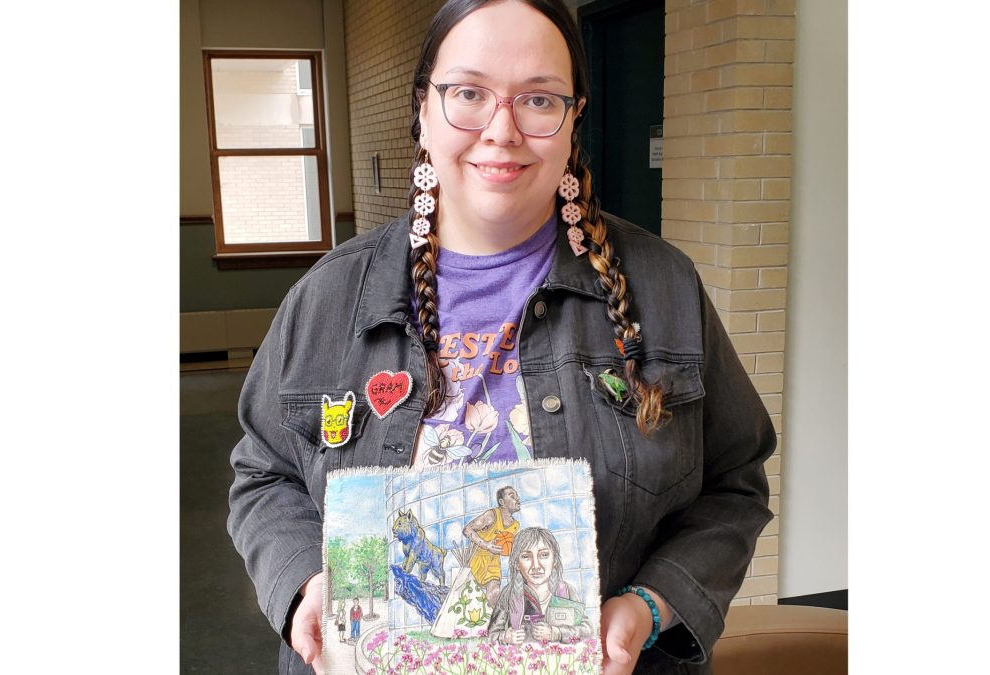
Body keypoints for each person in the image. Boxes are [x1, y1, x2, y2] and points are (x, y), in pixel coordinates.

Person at [227, 1, 775, 673]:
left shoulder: (662, 288)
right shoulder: (329, 299)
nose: (502, 129)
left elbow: (735, 481)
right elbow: (264, 471)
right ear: (424, 109)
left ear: (574, 117)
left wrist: (651, 603)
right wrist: (305, 581)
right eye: (468, 93)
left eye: (539, 99)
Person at [487, 527, 593, 644]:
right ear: (517, 563)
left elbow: (588, 631)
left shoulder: (567, 591)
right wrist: (505, 637)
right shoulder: (509, 593)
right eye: (526, 557)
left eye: (544, 555)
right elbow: (490, 636)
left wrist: (556, 633)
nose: (536, 566)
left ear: (555, 560)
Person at [462, 486, 521, 608]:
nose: (518, 498)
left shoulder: (515, 525)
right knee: (468, 602)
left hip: (493, 563)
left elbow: (508, 547)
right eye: (512, 495)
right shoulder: (491, 515)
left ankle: (494, 625)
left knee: (493, 598)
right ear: (502, 502)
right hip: (475, 559)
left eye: (517, 495)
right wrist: (486, 545)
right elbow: (467, 530)